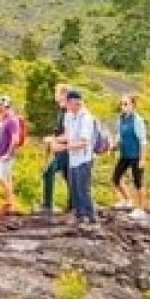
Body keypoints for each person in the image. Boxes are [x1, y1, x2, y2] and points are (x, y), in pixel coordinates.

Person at [61, 87, 99, 223]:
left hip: (84, 158)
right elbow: (67, 135)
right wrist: (54, 140)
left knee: (83, 189)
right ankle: (79, 214)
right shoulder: (69, 115)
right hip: (72, 158)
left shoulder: (86, 117)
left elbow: (84, 142)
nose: (66, 105)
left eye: (67, 102)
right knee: (74, 188)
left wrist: (64, 146)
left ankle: (90, 216)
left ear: (74, 102)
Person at [112, 94, 149, 215]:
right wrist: (113, 145)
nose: (123, 106)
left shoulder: (137, 120)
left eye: (126, 104)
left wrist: (142, 159)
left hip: (136, 155)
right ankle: (127, 200)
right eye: (122, 104)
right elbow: (119, 136)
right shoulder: (120, 118)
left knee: (138, 182)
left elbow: (143, 141)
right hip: (124, 154)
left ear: (133, 105)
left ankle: (141, 209)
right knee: (115, 179)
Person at [41, 80, 71, 216]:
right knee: (68, 177)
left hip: (65, 150)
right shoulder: (61, 110)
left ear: (63, 95)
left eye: (57, 92)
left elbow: (68, 134)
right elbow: (59, 131)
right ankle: (72, 205)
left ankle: (48, 206)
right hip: (61, 149)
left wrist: (53, 139)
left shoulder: (67, 112)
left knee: (48, 172)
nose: (55, 95)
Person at [0, 94, 20, 214]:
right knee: (5, 179)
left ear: (5, 105)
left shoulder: (12, 120)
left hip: (6, 156)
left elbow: (15, 139)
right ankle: (9, 204)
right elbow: (0, 137)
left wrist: (8, 153)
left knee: (3, 179)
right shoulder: (2, 118)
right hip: (0, 154)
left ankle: (10, 203)